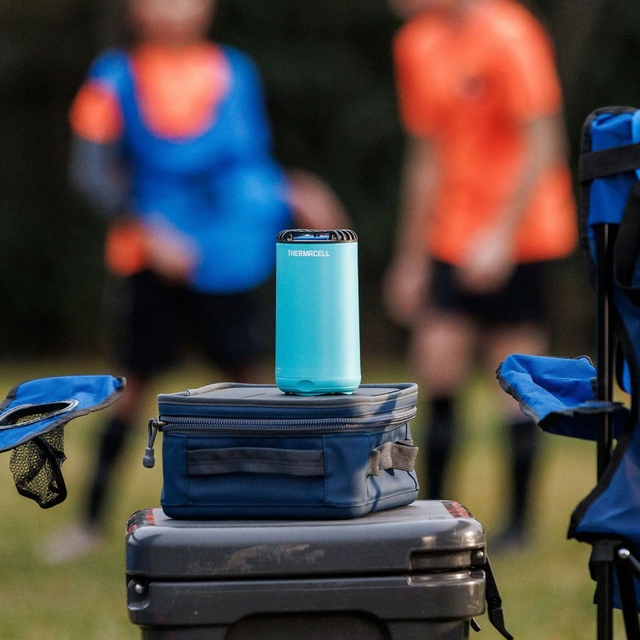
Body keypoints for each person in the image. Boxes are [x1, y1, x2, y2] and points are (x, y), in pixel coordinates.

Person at [45, 0, 348, 562]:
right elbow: (91, 171)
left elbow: (249, 163)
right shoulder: (114, 78)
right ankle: (88, 523)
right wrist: (146, 230)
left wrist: (292, 188)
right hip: (150, 257)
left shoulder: (235, 71)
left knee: (252, 387)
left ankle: (283, 509)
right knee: (131, 386)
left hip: (230, 253)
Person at [383, 0, 577, 550]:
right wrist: (411, 255)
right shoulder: (416, 43)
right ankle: (430, 514)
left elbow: (544, 143)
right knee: (436, 360)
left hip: (524, 232)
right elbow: (425, 153)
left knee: (513, 376)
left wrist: (501, 235)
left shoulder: (511, 34)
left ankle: (518, 526)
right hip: (451, 232)